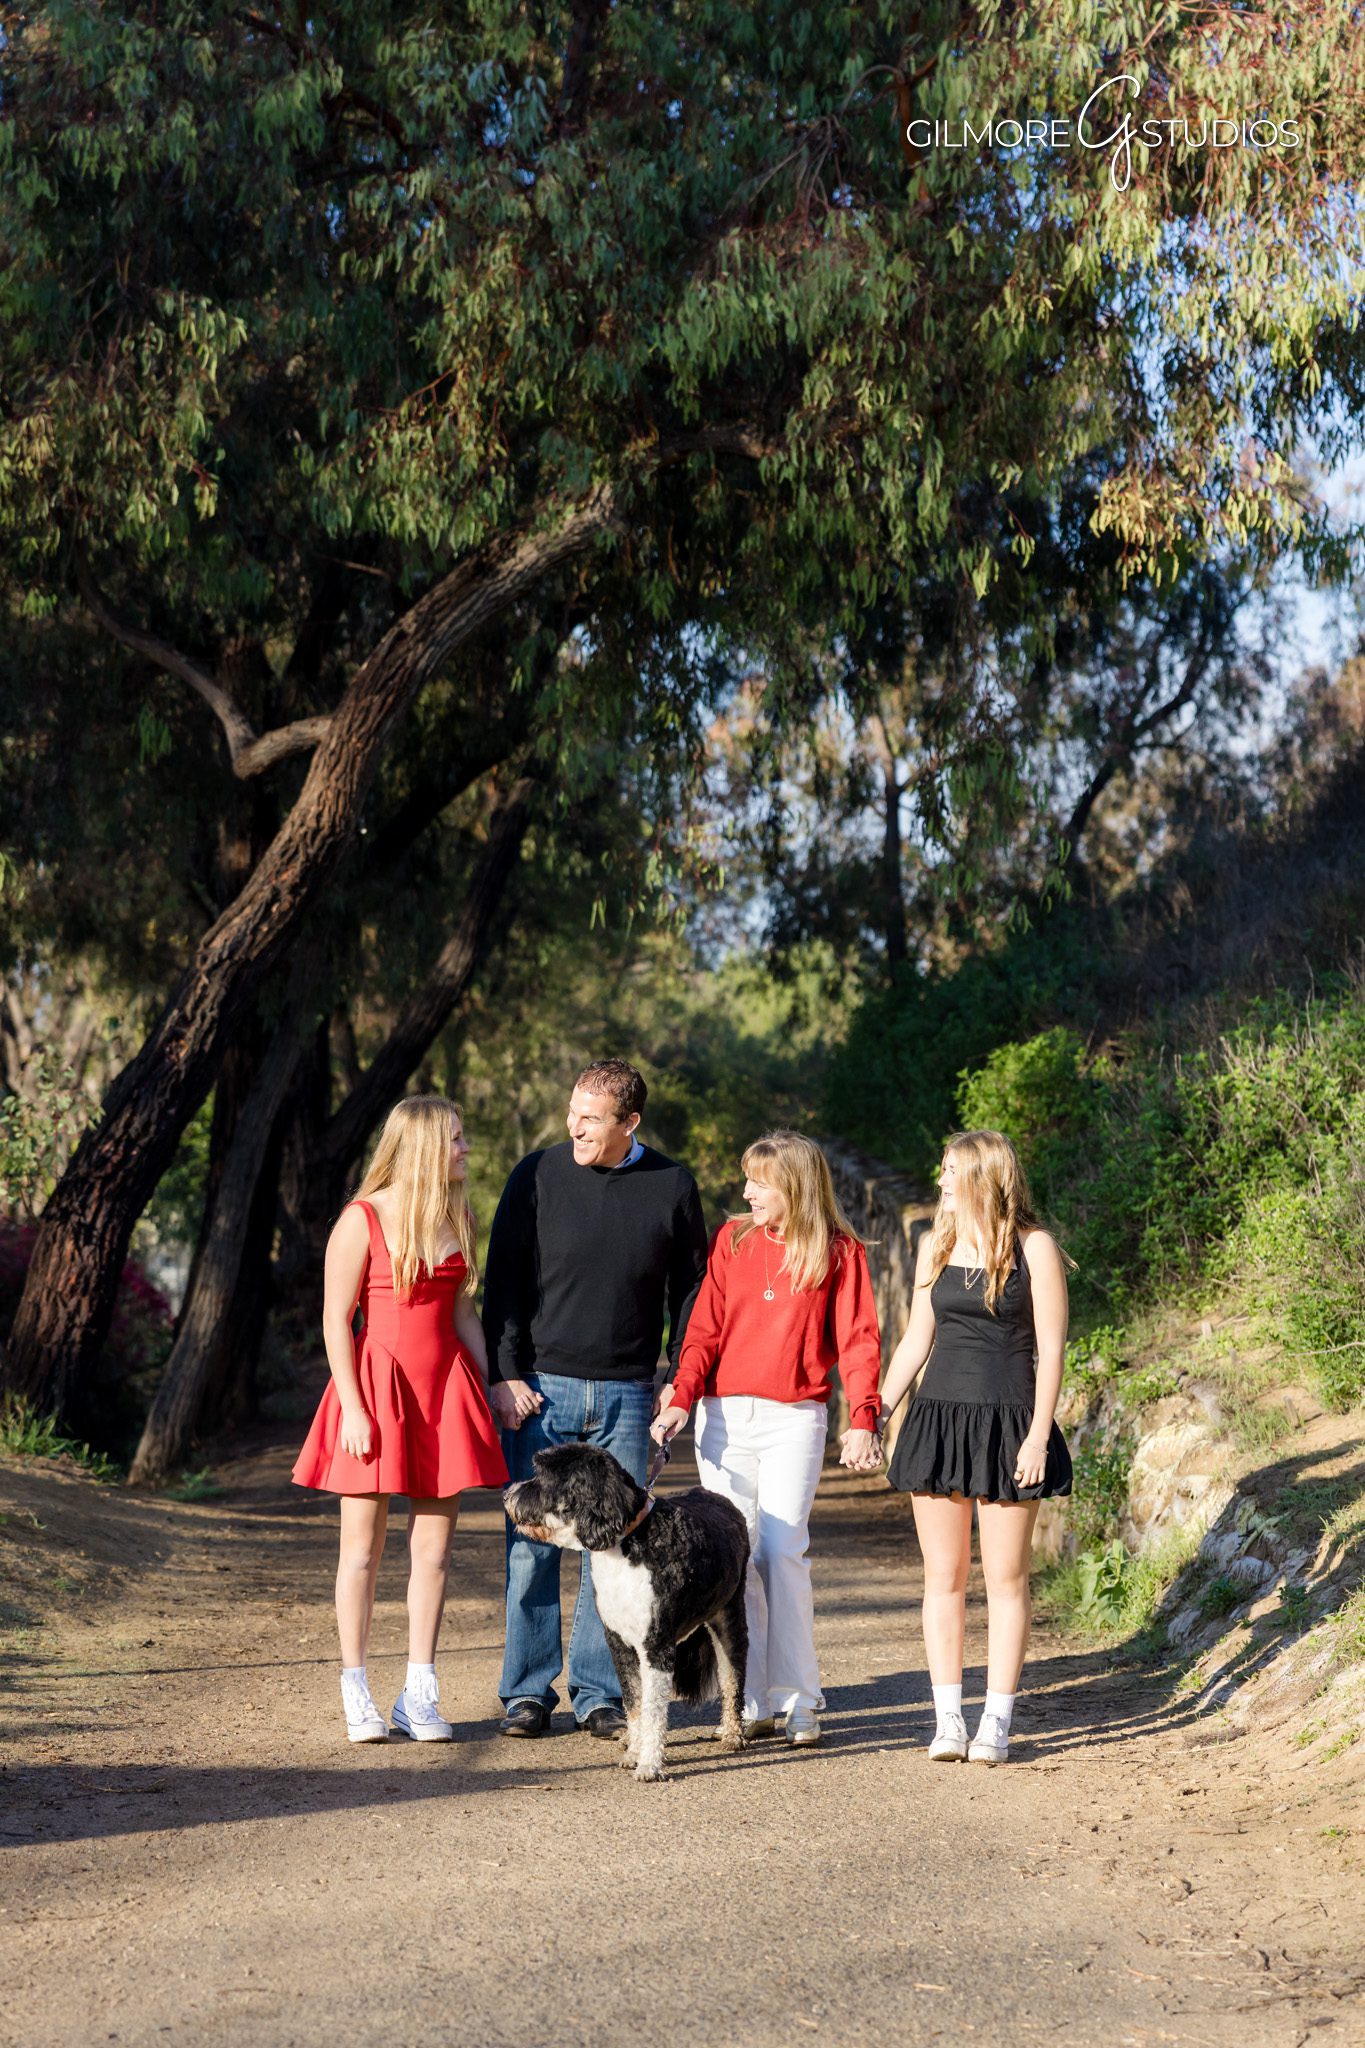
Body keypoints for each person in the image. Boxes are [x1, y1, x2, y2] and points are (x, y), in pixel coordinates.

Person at [482, 1058, 709, 1739]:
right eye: (572, 1112)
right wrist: (504, 1373)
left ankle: (597, 1692)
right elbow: (504, 1281)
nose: (573, 1127)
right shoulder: (537, 1175)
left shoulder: (671, 1183)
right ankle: (525, 1693)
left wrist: (675, 1376)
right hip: (542, 1391)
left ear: (628, 1123)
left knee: (613, 1547)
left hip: (631, 1394)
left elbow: (692, 1289)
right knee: (531, 1542)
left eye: (590, 1118)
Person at [651, 1130, 882, 1748]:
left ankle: (802, 1700)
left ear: (797, 1188)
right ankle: (749, 1697)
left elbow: (860, 1340)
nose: (748, 1192)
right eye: (747, 1179)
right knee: (740, 1560)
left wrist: (863, 1417)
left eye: (761, 1183)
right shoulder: (733, 1241)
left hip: (794, 1420)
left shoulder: (839, 1252)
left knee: (782, 1552)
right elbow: (703, 1329)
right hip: (723, 1419)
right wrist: (680, 1396)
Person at [292, 1096, 507, 1744]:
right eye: (457, 1139)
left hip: (442, 1392)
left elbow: (463, 1312)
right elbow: (335, 1319)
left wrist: (493, 1383)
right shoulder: (361, 1219)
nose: (466, 1149)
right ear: (421, 1146)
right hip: (374, 1392)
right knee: (360, 1551)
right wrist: (354, 1408)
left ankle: (419, 1693)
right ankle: (355, 1690)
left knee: (434, 1551)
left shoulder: (458, 1214)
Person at [877, 1128, 1072, 1766]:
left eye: (951, 1170)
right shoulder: (939, 1243)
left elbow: (1050, 1352)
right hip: (938, 1422)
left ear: (984, 1176)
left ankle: (997, 1723)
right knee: (944, 1577)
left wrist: (1040, 1434)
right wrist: (874, 1410)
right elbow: (915, 1340)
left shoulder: (1034, 1248)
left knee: (1007, 1580)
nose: (941, 1180)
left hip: (1012, 1424)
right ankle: (949, 1722)